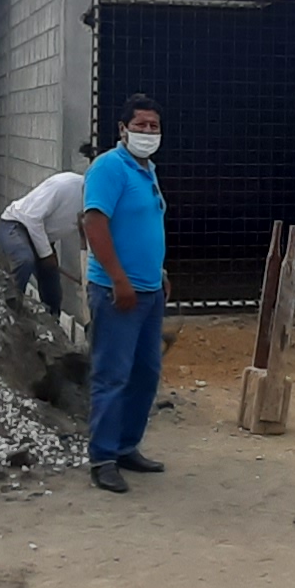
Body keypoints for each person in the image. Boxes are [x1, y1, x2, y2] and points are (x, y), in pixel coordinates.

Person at [80, 94, 168, 493]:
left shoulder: (147, 171)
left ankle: (126, 446)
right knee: (112, 375)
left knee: (145, 374)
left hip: (149, 291)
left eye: (153, 126)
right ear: (122, 129)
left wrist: (158, 272)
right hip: (119, 293)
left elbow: (143, 227)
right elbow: (94, 223)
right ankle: (103, 458)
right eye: (140, 125)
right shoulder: (109, 168)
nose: (147, 131)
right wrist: (118, 279)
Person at [0, 168, 82, 316]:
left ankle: (52, 323)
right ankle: (9, 310)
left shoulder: (96, 203)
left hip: (42, 237)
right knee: (24, 259)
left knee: (52, 290)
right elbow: (32, 218)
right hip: (16, 225)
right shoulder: (65, 185)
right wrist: (46, 255)